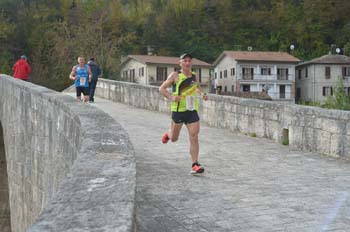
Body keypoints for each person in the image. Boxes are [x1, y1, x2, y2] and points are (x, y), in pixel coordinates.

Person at [159, 53, 209, 175]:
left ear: (191, 63)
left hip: (192, 110)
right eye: (185, 61)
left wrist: (202, 94)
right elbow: (161, 89)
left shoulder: (194, 76)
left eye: (189, 61)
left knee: (194, 136)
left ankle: (195, 164)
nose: (187, 63)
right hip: (178, 111)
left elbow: (196, 87)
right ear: (180, 63)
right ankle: (168, 134)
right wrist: (171, 97)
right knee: (174, 138)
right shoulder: (175, 75)